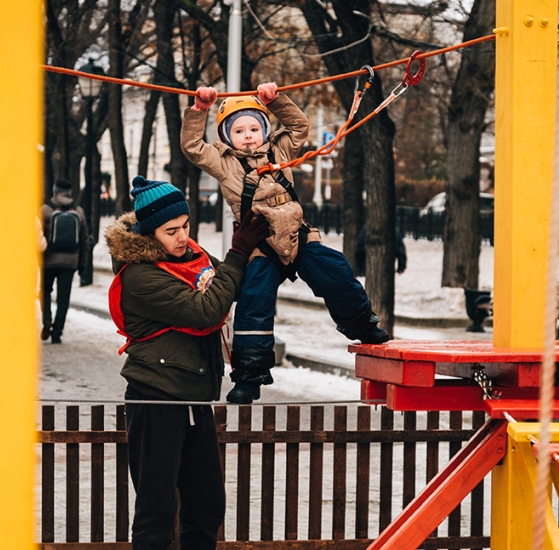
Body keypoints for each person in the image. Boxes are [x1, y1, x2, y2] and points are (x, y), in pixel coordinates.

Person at [181, 83, 390, 405]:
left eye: (254, 129)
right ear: (226, 137)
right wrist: (199, 110)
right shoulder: (223, 162)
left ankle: (362, 324)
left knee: (335, 270)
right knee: (254, 301)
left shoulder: (279, 151)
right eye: (239, 131)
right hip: (260, 243)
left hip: (296, 235)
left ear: (265, 130)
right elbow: (192, 146)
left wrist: (276, 101)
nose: (248, 136)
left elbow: (299, 127)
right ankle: (249, 376)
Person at [105, 175, 269, 550]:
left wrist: (255, 252)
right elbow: (207, 309)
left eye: (185, 226)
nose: (182, 237)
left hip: (193, 398)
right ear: (149, 234)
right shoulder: (140, 276)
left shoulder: (189, 257)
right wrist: (238, 253)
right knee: (156, 513)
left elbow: (229, 283)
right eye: (171, 231)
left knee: (206, 505)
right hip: (156, 399)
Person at [40, 178, 89, 344]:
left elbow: (37, 235)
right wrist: (82, 264)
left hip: (48, 260)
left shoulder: (45, 209)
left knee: (45, 291)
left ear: (54, 192)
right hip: (70, 261)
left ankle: (47, 319)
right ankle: (57, 333)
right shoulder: (78, 211)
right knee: (63, 298)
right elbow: (84, 240)